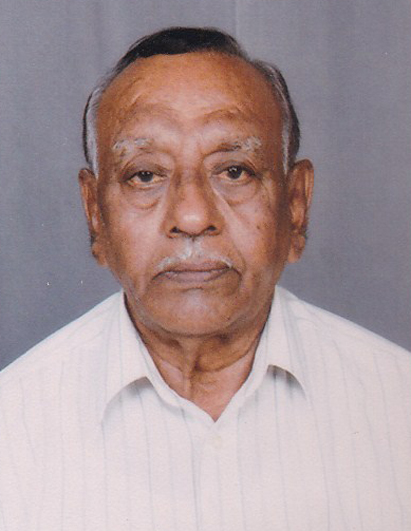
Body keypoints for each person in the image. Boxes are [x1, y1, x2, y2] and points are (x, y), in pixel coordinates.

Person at [0, 27, 409, 531]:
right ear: (95, 215)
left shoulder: (398, 405)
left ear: (296, 205)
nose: (192, 216)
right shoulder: (12, 426)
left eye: (234, 171)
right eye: (145, 175)